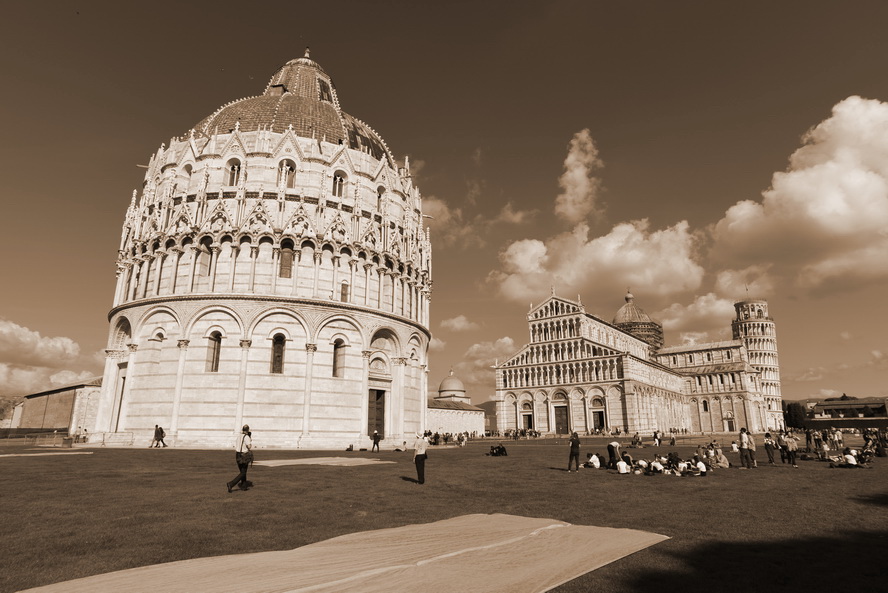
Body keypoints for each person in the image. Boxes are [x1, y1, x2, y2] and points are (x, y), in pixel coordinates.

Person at [227, 425, 253, 493]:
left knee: (242, 471)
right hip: (243, 455)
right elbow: (249, 447)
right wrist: (249, 438)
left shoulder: (239, 436)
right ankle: (231, 484)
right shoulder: (246, 437)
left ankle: (244, 487)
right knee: (243, 472)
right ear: (248, 430)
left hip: (237, 454)